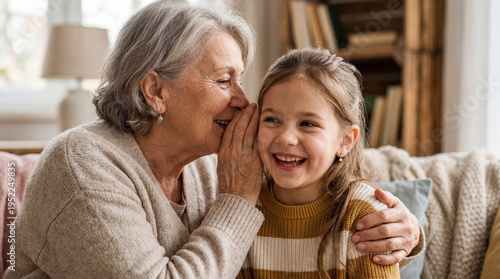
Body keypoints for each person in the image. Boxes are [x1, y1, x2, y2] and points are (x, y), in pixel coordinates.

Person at [5, 1, 421, 278]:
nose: (243, 101)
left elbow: (329, 167)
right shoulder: (82, 165)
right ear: (156, 91)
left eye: (240, 80)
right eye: (224, 81)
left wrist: (405, 228)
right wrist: (237, 202)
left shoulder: (212, 157)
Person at [238, 48, 422, 278]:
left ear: (345, 141)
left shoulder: (364, 217)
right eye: (272, 119)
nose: (286, 138)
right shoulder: (243, 209)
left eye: (307, 123)